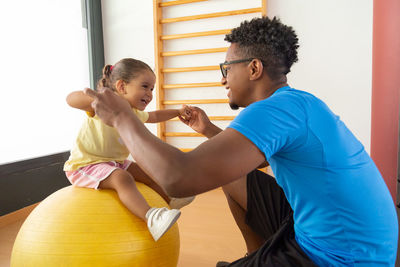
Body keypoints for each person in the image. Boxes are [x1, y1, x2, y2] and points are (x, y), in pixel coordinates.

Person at [84, 17, 398, 266]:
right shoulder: (297, 102)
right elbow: (257, 161)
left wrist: (122, 118)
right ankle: (256, 256)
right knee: (233, 174)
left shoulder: (271, 110)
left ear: (253, 68)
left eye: (226, 68)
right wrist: (208, 130)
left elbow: (178, 179)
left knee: (209, 171)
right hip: (354, 238)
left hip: (340, 257)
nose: (222, 79)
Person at [64, 58, 194, 241]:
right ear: (122, 87)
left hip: (114, 162)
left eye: (152, 89)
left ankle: (169, 200)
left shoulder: (133, 111)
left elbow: (155, 116)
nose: (150, 94)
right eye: (145, 86)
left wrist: (177, 112)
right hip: (85, 165)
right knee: (121, 177)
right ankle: (150, 217)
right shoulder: (103, 105)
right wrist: (94, 98)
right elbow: (71, 99)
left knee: (148, 172)